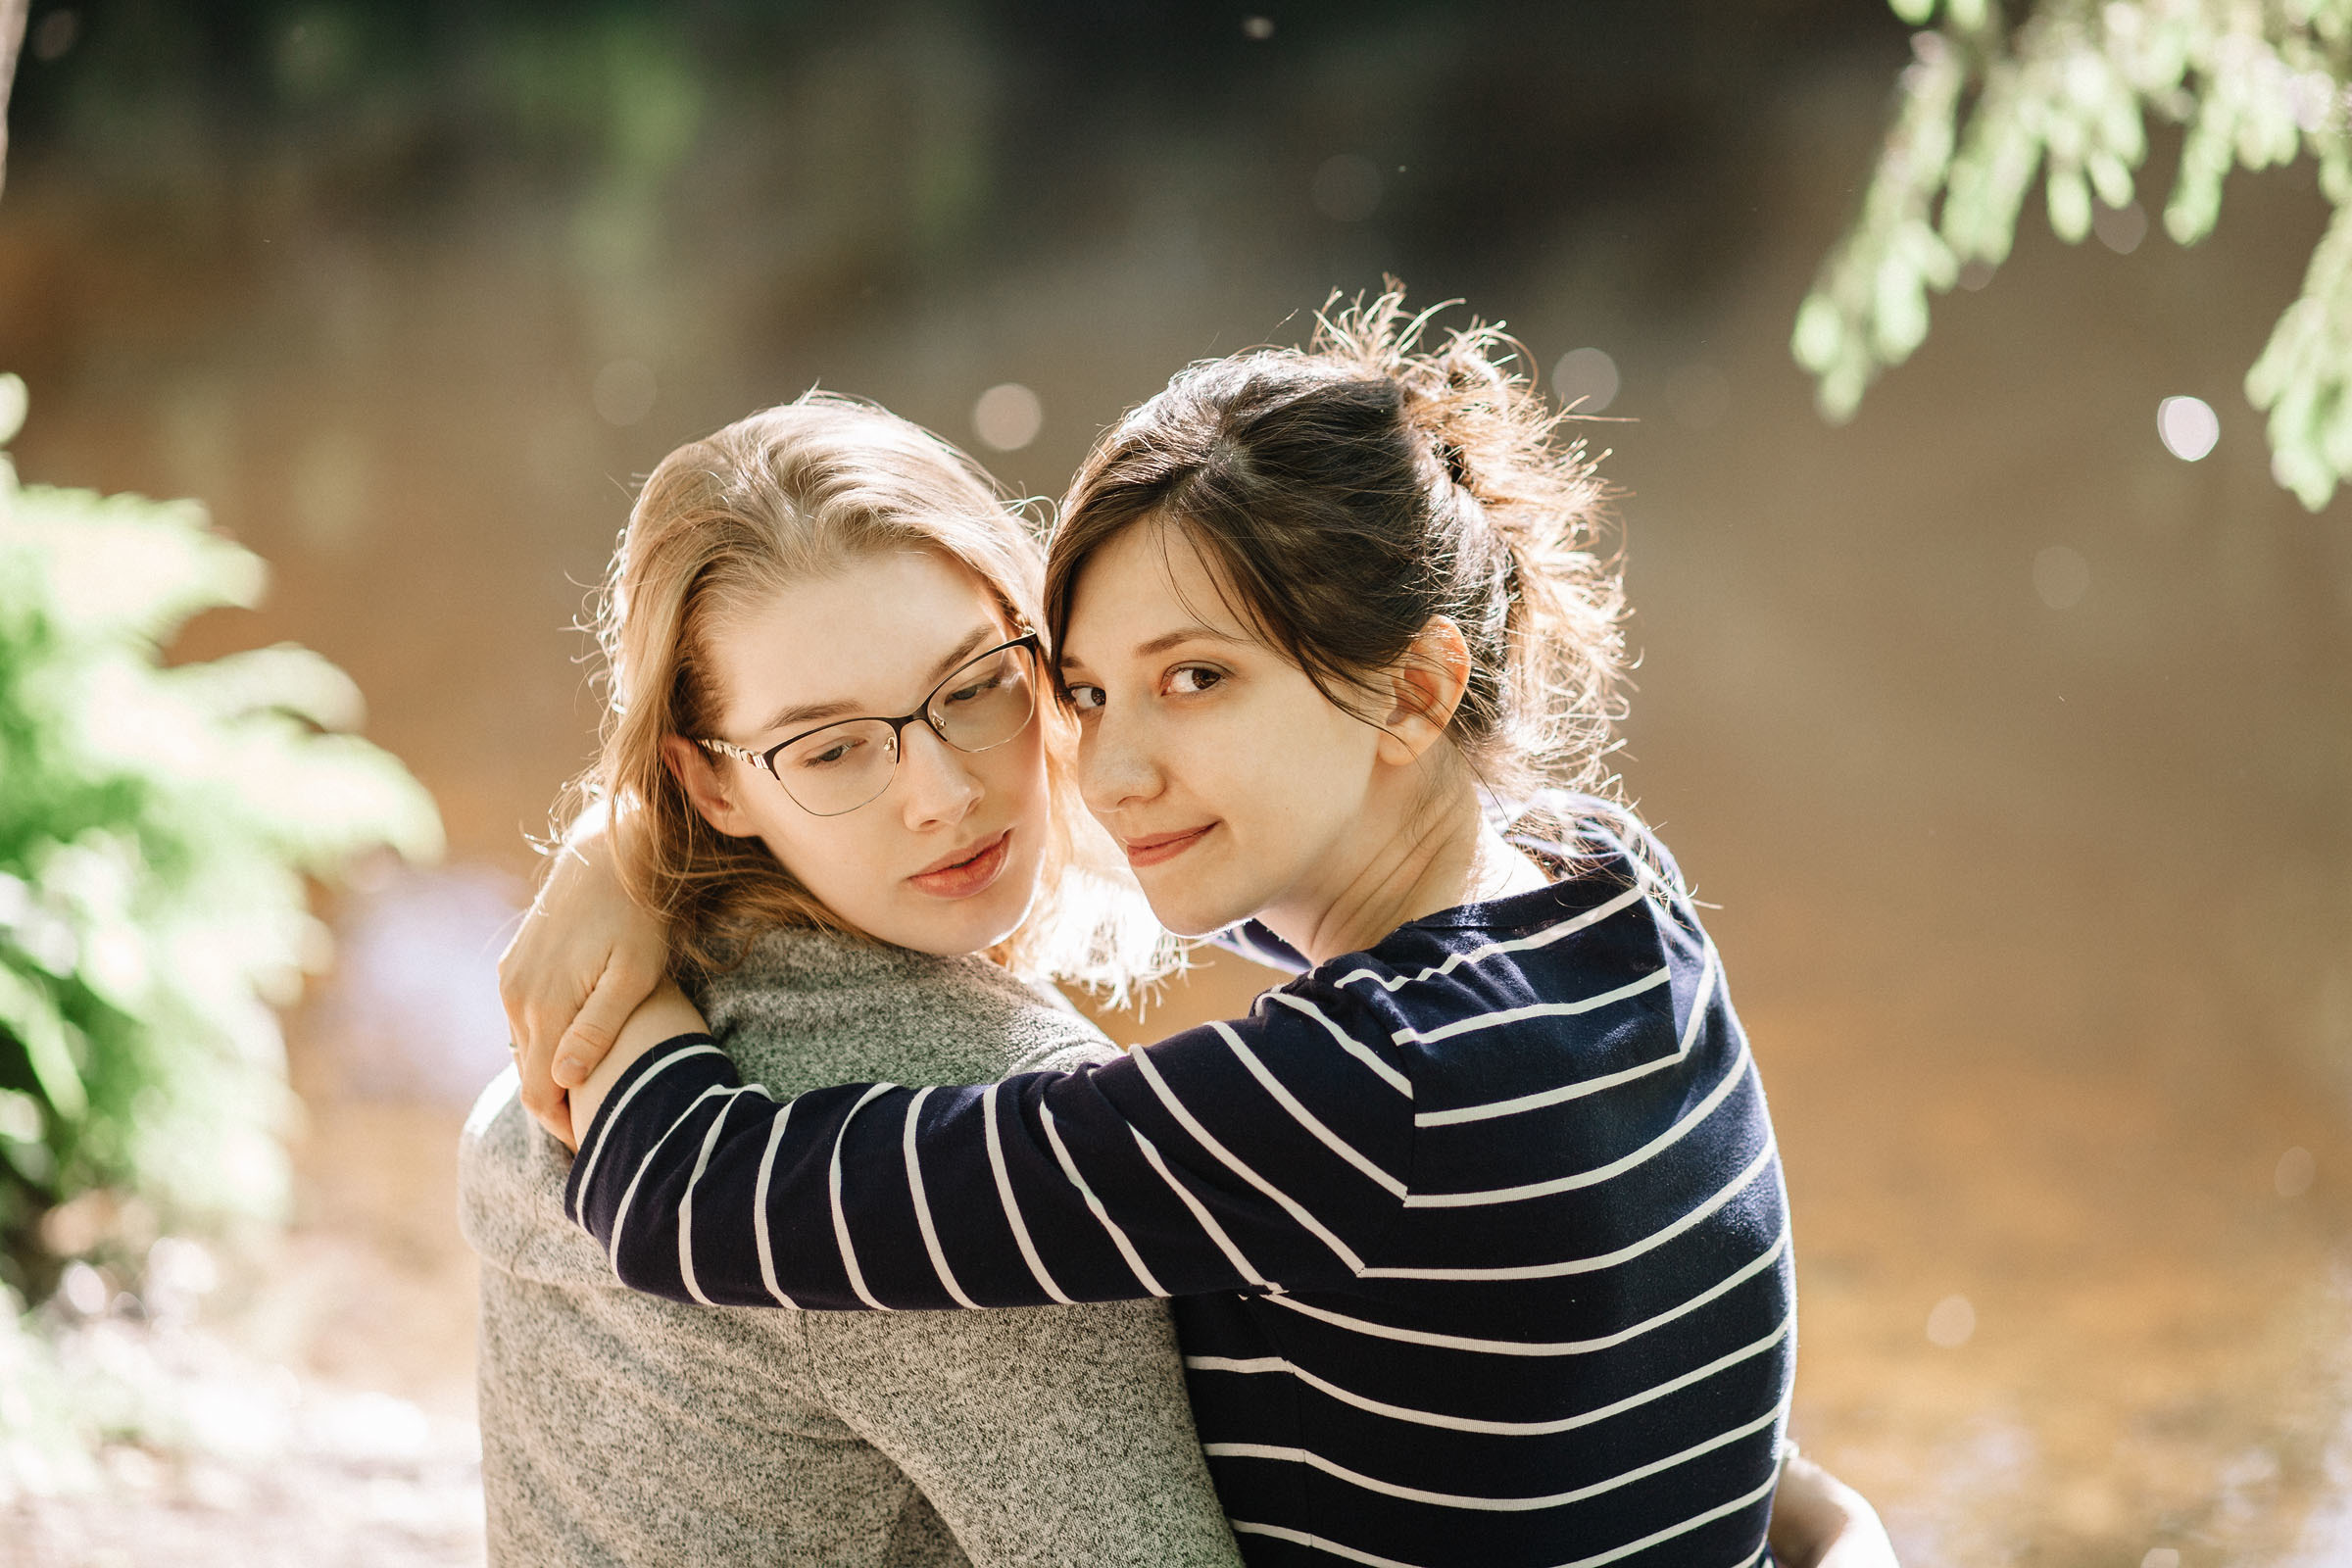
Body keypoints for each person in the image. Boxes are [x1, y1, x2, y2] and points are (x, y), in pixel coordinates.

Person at [511, 294, 1899, 1568]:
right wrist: (629, 841)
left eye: (1196, 677)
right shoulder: (1612, 890)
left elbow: (690, 1197)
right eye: (1092, 691)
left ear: (1414, 689)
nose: (1108, 773)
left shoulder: (1352, 1093)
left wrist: (626, 953)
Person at [457, 394, 1244, 1566]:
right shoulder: (993, 1120)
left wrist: (621, 844)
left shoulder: (618, 988)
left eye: (975, 685)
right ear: (710, 782)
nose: (939, 793)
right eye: (830, 748)